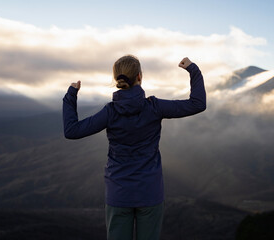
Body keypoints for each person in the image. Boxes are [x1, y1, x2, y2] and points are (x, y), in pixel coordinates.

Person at [63, 55, 206, 240]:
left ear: (117, 79)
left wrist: (71, 95)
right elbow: (198, 104)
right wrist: (193, 69)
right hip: (150, 194)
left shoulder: (110, 112)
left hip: (118, 194)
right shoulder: (154, 107)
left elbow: (72, 131)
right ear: (140, 76)